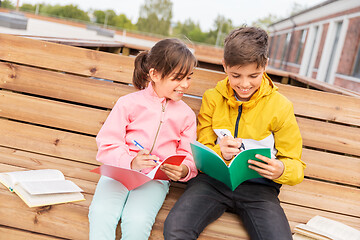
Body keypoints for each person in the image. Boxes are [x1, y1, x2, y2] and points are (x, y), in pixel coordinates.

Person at [164, 27, 306, 240]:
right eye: (236, 75)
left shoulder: (281, 107)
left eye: (254, 75)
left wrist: (281, 169)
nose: (245, 84)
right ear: (225, 66)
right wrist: (220, 152)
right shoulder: (213, 98)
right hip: (212, 183)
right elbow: (201, 148)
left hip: (259, 190)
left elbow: (296, 165)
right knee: (175, 229)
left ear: (265, 65)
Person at [88, 38, 198, 240]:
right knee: (101, 213)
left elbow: (188, 156)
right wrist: (130, 161)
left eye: (189, 77)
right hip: (118, 172)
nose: (184, 85)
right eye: (177, 78)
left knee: (137, 221)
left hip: (155, 181)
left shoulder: (187, 116)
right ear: (154, 74)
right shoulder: (128, 103)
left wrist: (184, 170)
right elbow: (107, 142)